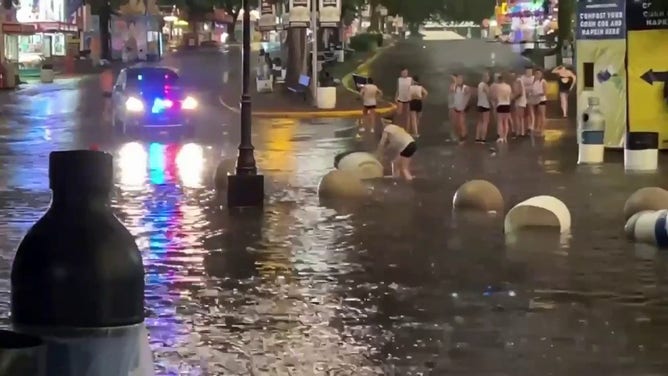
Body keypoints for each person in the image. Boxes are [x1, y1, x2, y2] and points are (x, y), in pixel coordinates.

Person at [491, 73, 512, 143]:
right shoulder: (508, 86)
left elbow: (494, 97)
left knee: (500, 122)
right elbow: (510, 95)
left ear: (498, 79)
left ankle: (501, 137)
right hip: (507, 104)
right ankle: (505, 137)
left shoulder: (497, 87)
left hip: (500, 104)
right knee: (506, 121)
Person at [451, 74, 471, 143]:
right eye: (458, 79)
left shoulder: (465, 88)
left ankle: (464, 136)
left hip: (462, 108)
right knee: (457, 123)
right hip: (456, 107)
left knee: (462, 122)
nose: (459, 81)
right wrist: (455, 82)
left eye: (460, 79)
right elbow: (451, 89)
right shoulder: (455, 87)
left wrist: (465, 105)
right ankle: (460, 135)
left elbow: (468, 95)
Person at [475, 71, 491, 143]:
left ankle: (477, 138)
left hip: (479, 104)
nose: (488, 78)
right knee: (485, 122)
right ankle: (483, 138)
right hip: (485, 105)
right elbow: (489, 95)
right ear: (485, 77)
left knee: (479, 122)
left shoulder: (479, 85)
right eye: (487, 76)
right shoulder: (485, 85)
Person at [531, 69, 548, 136]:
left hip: (541, 100)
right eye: (536, 73)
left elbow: (545, 92)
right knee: (537, 115)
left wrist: (537, 95)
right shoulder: (534, 81)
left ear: (541, 75)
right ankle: (538, 128)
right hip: (535, 100)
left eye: (539, 73)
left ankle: (542, 130)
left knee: (542, 115)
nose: (537, 75)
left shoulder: (543, 82)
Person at [512, 70, 528, 137]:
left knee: (519, 117)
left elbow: (520, 93)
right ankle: (521, 132)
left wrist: (512, 98)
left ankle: (520, 132)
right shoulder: (518, 81)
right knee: (519, 117)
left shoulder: (518, 81)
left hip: (520, 101)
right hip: (519, 101)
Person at [521, 67, 535, 132]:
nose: (529, 73)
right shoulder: (522, 78)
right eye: (528, 71)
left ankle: (532, 125)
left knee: (531, 111)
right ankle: (526, 125)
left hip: (531, 97)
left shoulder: (533, 78)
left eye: (530, 71)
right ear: (525, 71)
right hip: (523, 97)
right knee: (525, 112)